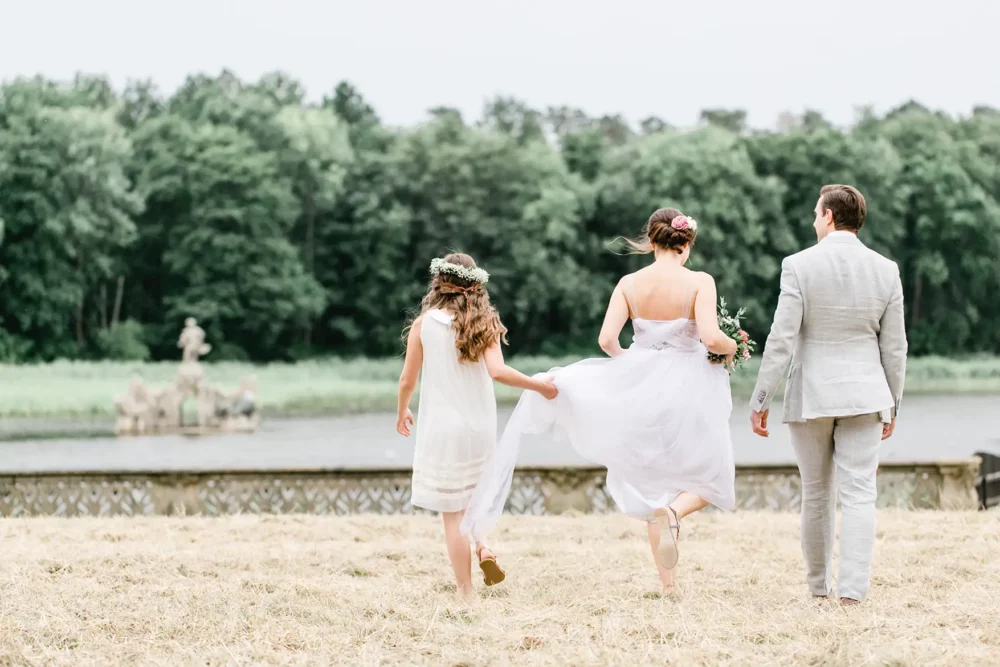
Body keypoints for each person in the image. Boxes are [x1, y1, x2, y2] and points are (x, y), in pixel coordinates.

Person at [462, 209, 738, 594]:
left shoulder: (629, 283)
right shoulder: (700, 282)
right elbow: (710, 337)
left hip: (642, 388)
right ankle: (676, 513)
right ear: (686, 243)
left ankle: (669, 584)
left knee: (651, 479)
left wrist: (635, 365)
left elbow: (607, 341)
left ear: (652, 243)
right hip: (690, 387)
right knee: (710, 470)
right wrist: (733, 345)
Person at [749, 184, 907, 607]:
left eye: (817, 213)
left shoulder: (798, 265)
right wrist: (894, 402)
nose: (814, 220)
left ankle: (819, 590)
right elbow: (895, 347)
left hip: (812, 394)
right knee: (859, 494)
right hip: (866, 394)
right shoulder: (886, 269)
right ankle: (852, 595)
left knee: (817, 492)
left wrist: (761, 397)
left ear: (830, 217)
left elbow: (781, 338)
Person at [396, 253, 558, 599]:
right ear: (476, 285)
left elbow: (407, 378)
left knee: (452, 514)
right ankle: (483, 546)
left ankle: (466, 592)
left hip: (441, 429)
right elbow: (498, 372)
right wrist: (541, 386)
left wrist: (402, 410)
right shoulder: (484, 321)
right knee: (475, 497)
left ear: (438, 284)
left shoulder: (424, 325)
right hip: (479, 428)